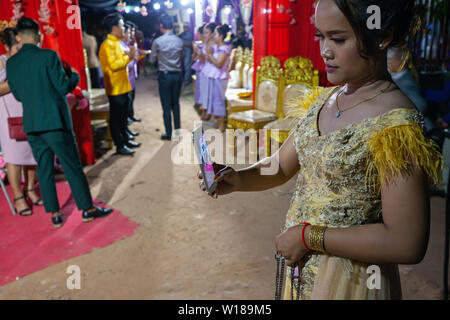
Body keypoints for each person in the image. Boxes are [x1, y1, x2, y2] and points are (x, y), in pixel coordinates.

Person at [198, 0, 443, 300]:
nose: (325, 51)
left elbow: (406, 241)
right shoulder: (325, 100)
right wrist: (239, 178)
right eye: (320, 36)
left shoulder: (395, 124)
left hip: (351, 282)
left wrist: (308, 237)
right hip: (303, 271)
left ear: (384, 35)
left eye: (338, 39)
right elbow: (282, 165)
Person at [6, 17, 112, 228]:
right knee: (72, 166)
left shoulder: (12, 63)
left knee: (44, 169)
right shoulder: (48, 56)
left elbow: (17, 95)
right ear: (38, 36)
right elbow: (63, 86)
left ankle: (55, 214)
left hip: (32, 125)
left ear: (18, 37)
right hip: (55, 122)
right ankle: (87, 209)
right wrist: (74, 76)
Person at [0, 27, 42, 216]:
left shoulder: (28, 60)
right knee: (14, 156)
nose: (20, 51)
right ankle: (18, 196)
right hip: (8, 116)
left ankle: (31, 189)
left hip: (29, 110)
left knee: (32, 152)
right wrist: (15, 82)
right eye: (17, 48)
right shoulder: (1, 63)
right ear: (7, 47)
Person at [99, 13, 141, 155]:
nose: (124, 29)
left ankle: (125, 140)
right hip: (115, 88)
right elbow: (113, 65)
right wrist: (128, 57)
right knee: (116, 119)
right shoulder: (107, 45)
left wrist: (130, 56)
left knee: (123, 117)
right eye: (122, 26)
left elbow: (122, 61)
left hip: (123, 86)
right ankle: (120, 145)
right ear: (114, 27)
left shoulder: (116, 43)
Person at [149, 14, 183, 141]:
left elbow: (152, 60)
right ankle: (178, 133)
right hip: (177, 75)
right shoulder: (179, 41)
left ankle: (169, 134)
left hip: (165, 76)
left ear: (161, 26)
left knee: (166, 106)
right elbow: (180, 56)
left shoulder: (158, 41)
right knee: (176, 105)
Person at [202, 24, 232, 132]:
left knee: (219, 100)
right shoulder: (217, 47)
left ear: (221, 36)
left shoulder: (224, 48)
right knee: (215, 99)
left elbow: (219, 64)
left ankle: (222, 125)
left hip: (221, 77)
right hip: (215, 76)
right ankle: (217, 122)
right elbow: (209, 58)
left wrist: (210, 55)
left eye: (215, 34)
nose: (214, 36)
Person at [197, 22, 217, 121]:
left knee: (210, 93)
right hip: (204, 71)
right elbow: (202, 61)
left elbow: (210, 60)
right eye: (204, 33)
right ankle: (205, 110)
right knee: (204, 92)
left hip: (212, 71)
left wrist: (202, 54)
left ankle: (210, 113)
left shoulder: (215, 46)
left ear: (213, 33)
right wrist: (199, 53)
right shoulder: (205, 44)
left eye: (206, 32)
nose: (204, 35)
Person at [82, 21, 101, 89]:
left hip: (87, 65)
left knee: (89, 85)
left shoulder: (81, 40)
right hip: (95, 63)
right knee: (96, 84)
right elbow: (95, 49)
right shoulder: (92, 38)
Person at [192, 25, 205, 115]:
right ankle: (199, 106)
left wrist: (197, 50)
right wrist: (195, 51)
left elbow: (203, 60)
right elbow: (193, 58)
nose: (197, 35)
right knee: (199, 89)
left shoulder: (208, 46)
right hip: (198, 69)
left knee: (203, 90)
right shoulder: (199, 44)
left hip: (204, 70)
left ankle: (204, 110)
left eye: (198, 33)